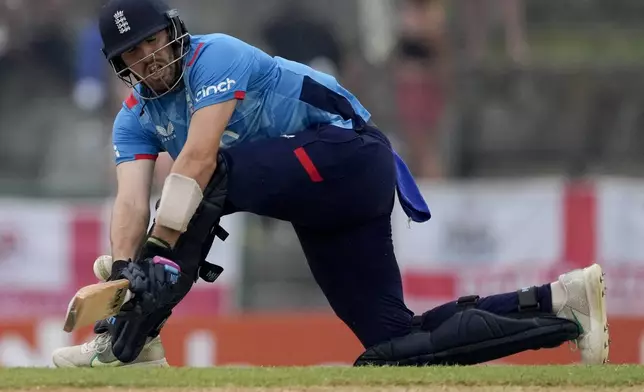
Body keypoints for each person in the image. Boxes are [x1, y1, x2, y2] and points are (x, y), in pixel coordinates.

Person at [52, 0, 609, 368]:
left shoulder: (213, 55)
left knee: (208, 172)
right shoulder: (132, 117)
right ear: (119, 63)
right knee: (393, 347)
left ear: (174, 31)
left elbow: (197, 159)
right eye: (133, 52)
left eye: (152, 41)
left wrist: (155, 254)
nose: (147, 57)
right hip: (317, 197)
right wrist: (125, 273)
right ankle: (562, 305)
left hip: (351, 158)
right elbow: (129, 199)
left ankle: (137, 339)